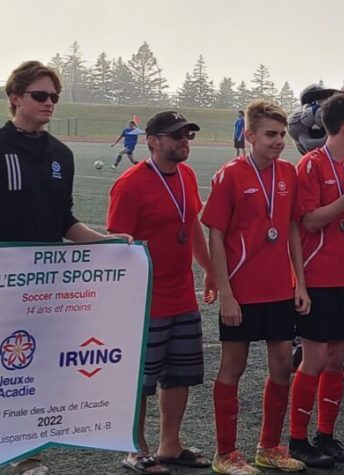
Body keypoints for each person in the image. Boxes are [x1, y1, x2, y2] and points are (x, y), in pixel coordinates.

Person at [0, 60, 131, 475]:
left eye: (54, 97)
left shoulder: (62, 155)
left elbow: (65, 222)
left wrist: (108, 245)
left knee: (29, 372)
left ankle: (27, 457)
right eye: (40, 95)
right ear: (15, 98)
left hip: (40, 290)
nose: (49, 103)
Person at [201, 100, 310, 474]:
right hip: (242, 291)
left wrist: (301, 282)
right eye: (270, 135)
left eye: (282, 135)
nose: (279, 141)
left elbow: (292, 228)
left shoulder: (289, 174)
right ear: (249, 135)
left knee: (283, 366)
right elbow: (216, 235)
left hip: (280, 288)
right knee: (234, 365)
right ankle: (226, 453)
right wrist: (226, 292)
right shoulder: (230, 175)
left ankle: (269, 447)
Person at [108, 111, 215, 474]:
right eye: (175, 136)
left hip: (182, 294)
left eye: (187, 135)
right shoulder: (130, 184)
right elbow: (116, 245)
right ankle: (136, 449)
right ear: (152, 141)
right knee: (142, 380)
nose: (183, 141)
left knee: (181, 373)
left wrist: (210, 271)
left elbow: (193, 227)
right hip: (145, 299)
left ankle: (170, 444)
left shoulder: (186, 175)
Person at [289, 93, 344, 468]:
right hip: (318, 275)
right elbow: (308, 221)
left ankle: (325, 435)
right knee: (314, 358)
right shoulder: (311, 165)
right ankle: (297, 439)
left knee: (338, 357)